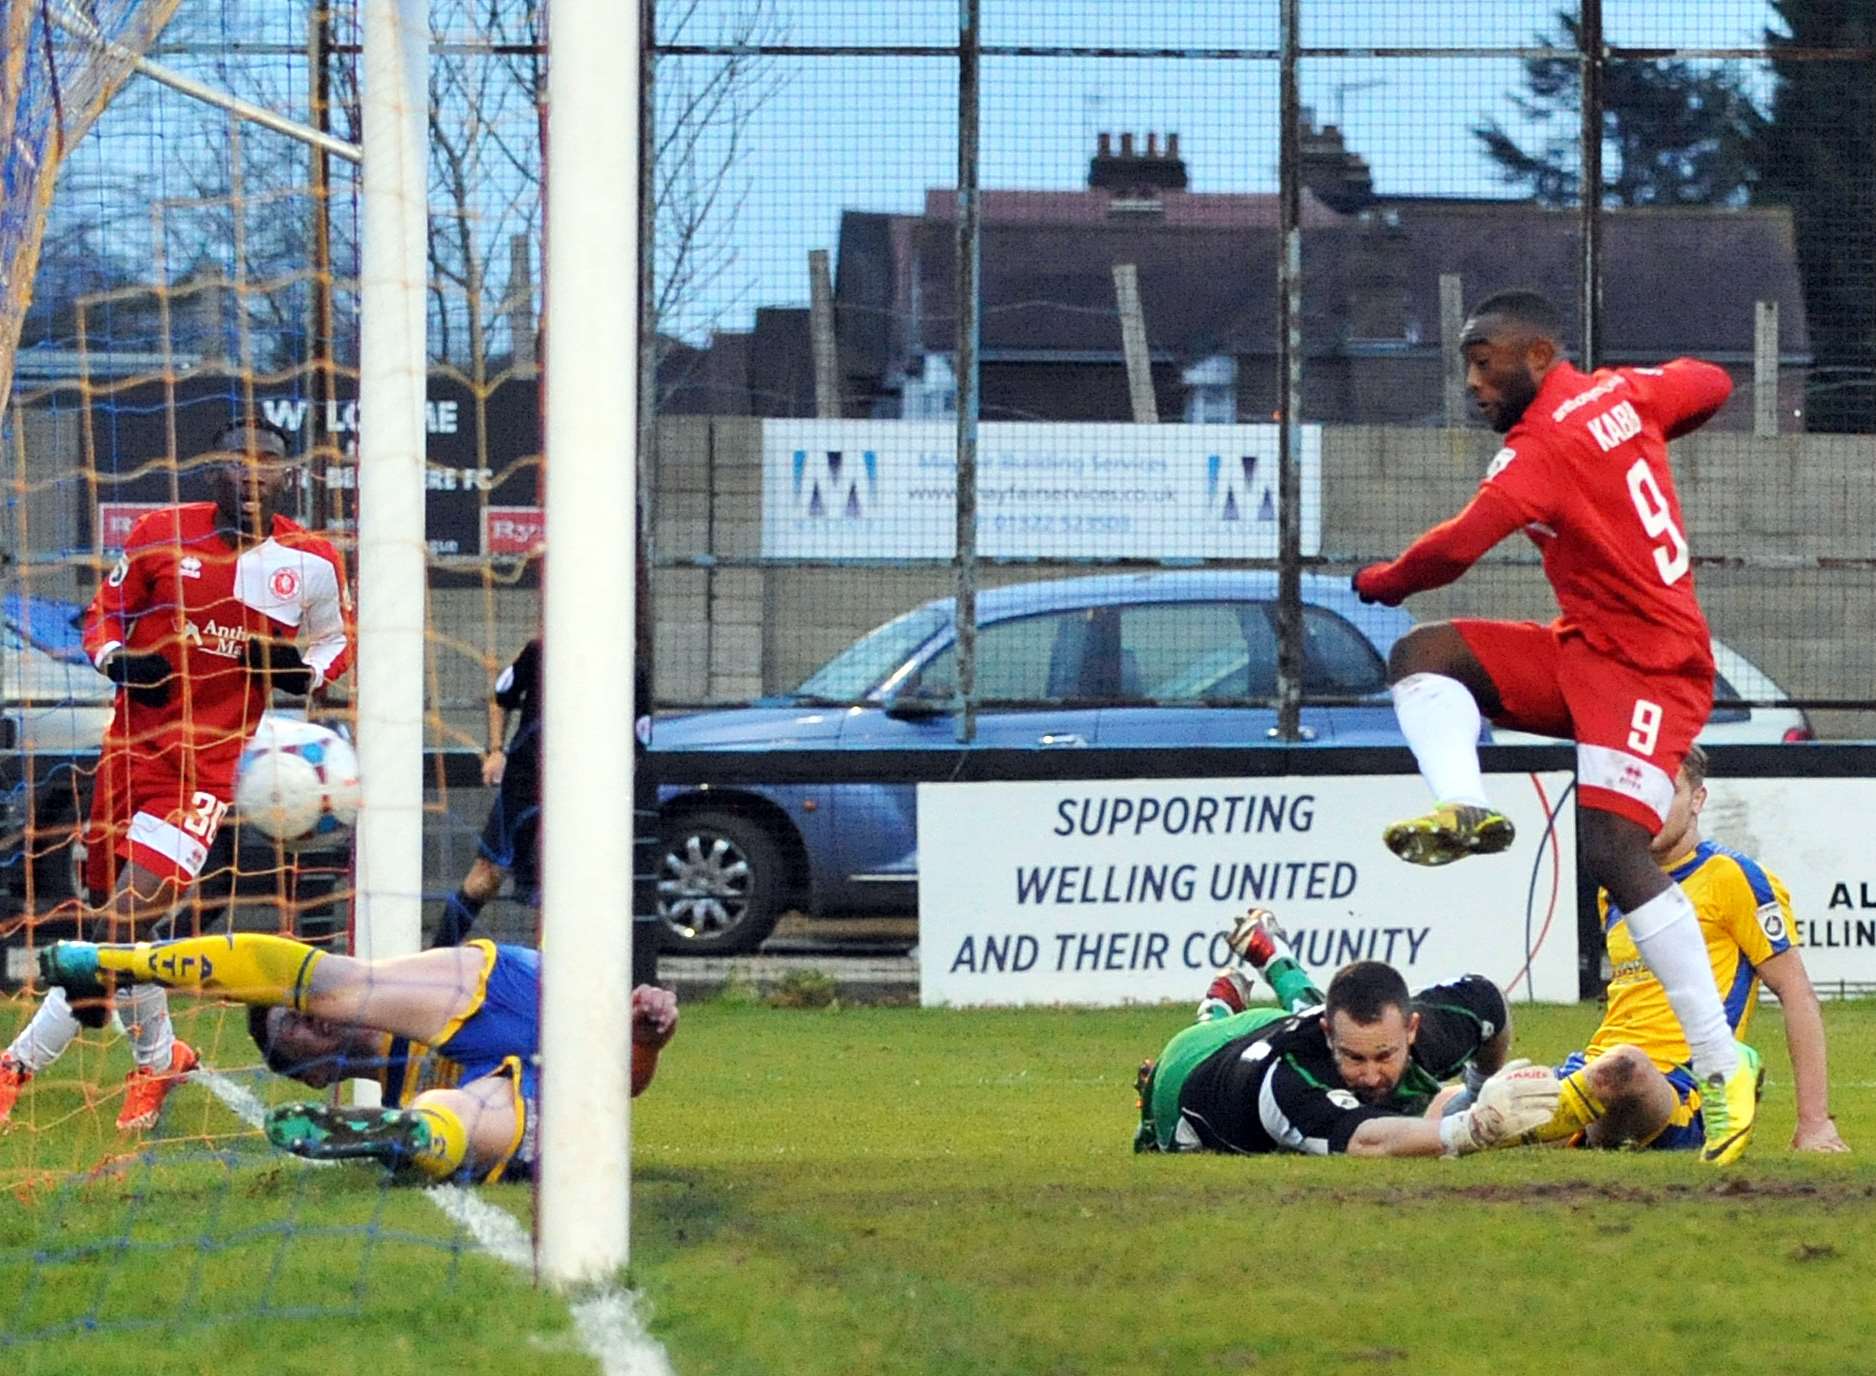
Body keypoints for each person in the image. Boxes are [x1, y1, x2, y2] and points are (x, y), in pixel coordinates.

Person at [1351, 288, 1761, 1164]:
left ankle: (1726, 1066)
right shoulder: (1621, 396)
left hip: (1650, 667)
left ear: (1537, 355)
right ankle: (1464, 805)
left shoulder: (1542, 449)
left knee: (1612, 850)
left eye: (1483, 358)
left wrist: (1385, 579)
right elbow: (1713, 381)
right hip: (1588, 650)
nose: (1472, 379)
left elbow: (1458, 547)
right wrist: (1641, 436)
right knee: (1427, 657)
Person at [0, 419, 353, 1132]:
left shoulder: (309, 561)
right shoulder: (162, 532)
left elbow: (335, 641)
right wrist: (118, 662)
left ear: (288, 477)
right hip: (130, 751)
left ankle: (15, 1066)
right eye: (237, 461)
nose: (253, 475)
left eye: (269, 464)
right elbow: (104, 613)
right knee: (117, 921)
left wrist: (300, 671)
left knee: (119, 920)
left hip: (209, 767)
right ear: (211, 470)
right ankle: (161, 1057)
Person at [36, 930, 677, 1183]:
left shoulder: (391, 1007)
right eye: (295, 1029)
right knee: (460, 1110)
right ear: (316, 1077)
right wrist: (645, 1044)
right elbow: (620, 1087)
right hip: (517, 1098)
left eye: (295, 1010)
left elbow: (334, 990)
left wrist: (641, 1028)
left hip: (514, 989)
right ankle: (414, 1135)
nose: (306, 1019)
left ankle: (116, 963)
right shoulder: (405, 1084)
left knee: (350, 982)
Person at [1521, 746, 1849, 1154]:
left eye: (1667, 792)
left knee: (1627, 1068)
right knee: (1459, 1103)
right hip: (1595, 1067)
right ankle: (1567, 1123)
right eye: (1641, 794)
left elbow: (1796, 992)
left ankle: (1588, 1121)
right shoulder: (1616, 888)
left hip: (1679, 1087)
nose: (1651, 808)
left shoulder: (1732, 877)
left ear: (1697, 799)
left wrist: (1814, 1124)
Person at [1135, 911, 1559, 1159]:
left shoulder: (1432, 1026)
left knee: (1317, 1004)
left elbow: (1490, 1005)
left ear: (1411, 1029)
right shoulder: (1292, 1082)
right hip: (1184, 1074)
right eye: (1354, 1059)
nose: (1372, 1075)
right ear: (1327, 1037)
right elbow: (1367, 1140)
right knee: (1191, 1055)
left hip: (1260, 1027)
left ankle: (1261, 966)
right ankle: (1216, 1006)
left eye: (1384, 1056)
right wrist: (1474, 1126)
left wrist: (1479, 1086)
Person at [430, 636, 541, 947]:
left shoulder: (624, 664)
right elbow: (500, 698)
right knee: (484, 878)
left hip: (582, 790)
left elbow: (636, 745)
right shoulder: (541, 650)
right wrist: (496, 750)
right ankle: (437, 956)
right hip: (524, 783)